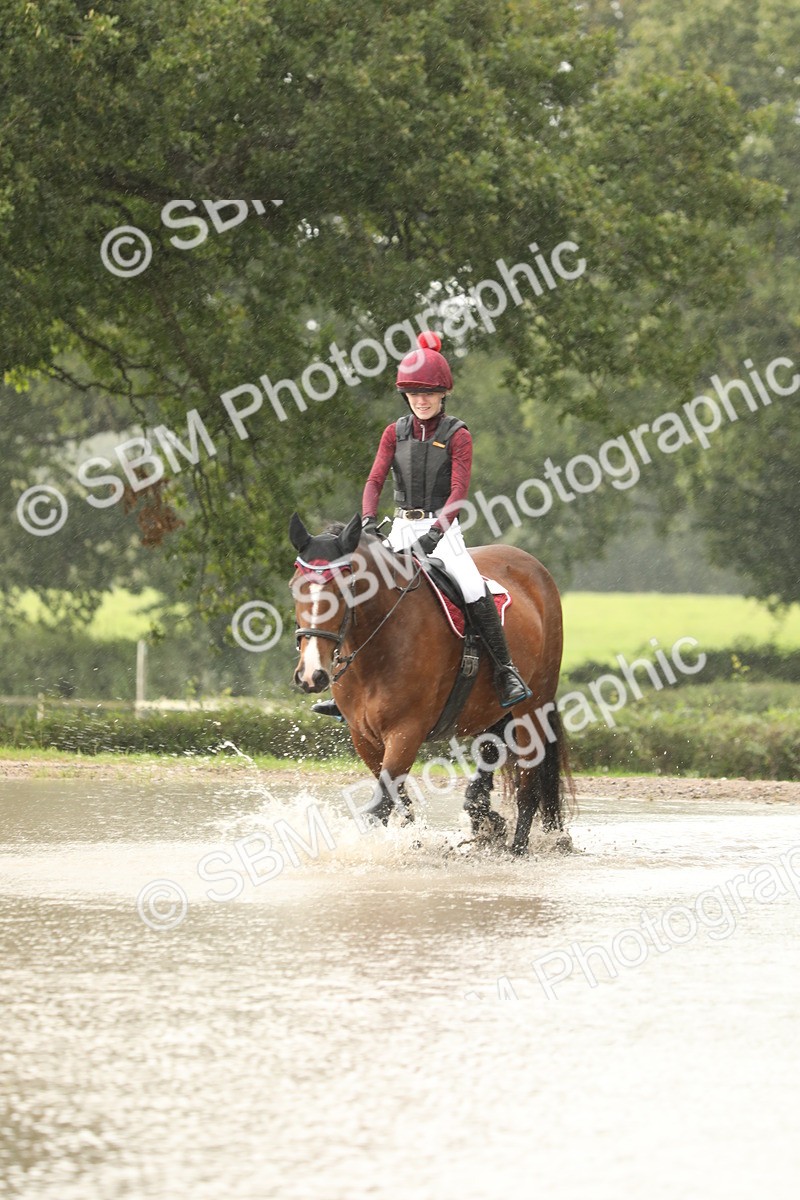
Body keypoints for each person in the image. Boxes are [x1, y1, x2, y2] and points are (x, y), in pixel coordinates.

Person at [312, 331, 532, 718]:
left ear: (442, 394)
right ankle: (346, 682)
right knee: (359, 588)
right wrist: (368, 519)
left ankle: (505, 672)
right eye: (414, 393)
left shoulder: (458, 435)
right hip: (399, 527)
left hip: (443, 531)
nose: (422, 400)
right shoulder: (393, 433)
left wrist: (434, 535)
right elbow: (374, 481)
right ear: (406, 396)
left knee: (473, 587)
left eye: (429, 393)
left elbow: (458, 493)